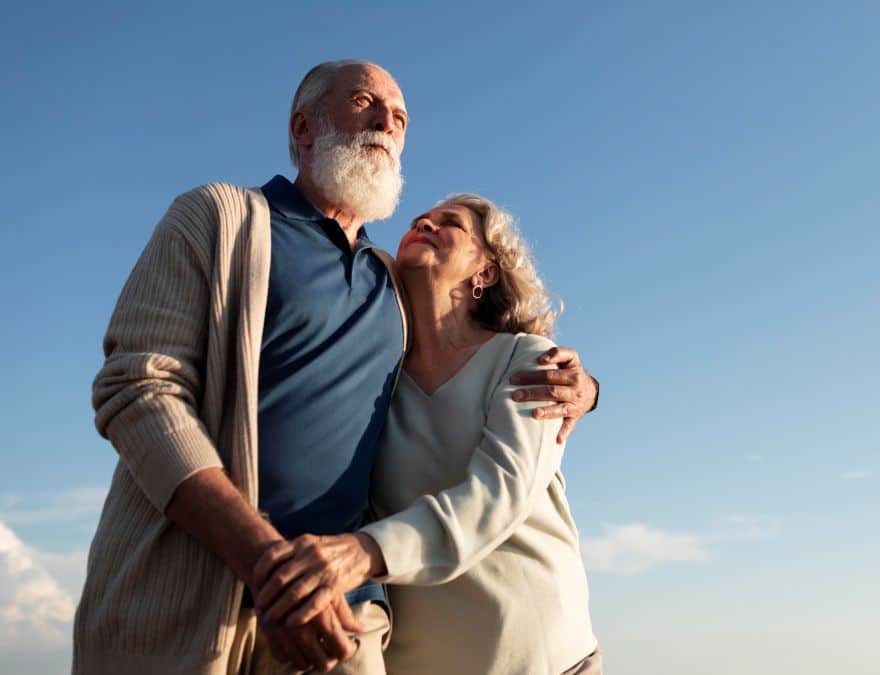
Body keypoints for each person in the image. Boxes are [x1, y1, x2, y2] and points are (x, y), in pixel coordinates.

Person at [75, 60, 598, 675]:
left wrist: (584, 389)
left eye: (400, 118)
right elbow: (138, 388)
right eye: (363, 102)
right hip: (186, 599)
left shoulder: (390, 282)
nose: (386, 122)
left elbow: (480, 349)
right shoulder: (219, 219)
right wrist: (267, 562)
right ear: (303, 127)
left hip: (347, 617)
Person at [253, 194, 601, 674]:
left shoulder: (529, 360)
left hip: (547, 659)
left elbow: (498, 495)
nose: (425, 222)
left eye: (450, 223)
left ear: (486, 271)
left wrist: (362, 553)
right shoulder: (379, 384)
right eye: (422, 219)